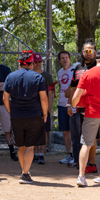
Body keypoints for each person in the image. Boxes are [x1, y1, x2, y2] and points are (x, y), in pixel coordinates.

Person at [3, 50, 48, 184]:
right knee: (30, 147)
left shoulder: (10, 76)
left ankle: (24, 171)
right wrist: (45, 113)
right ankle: (25, 174)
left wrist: (10, 111)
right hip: (34, 115)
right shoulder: (38, 77)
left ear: (20, 63)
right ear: (32, 63)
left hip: (16, 115)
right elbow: (44, 98)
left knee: (21, 146)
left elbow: (5, 97)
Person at [67, 38, 100, 172]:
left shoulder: (97, 67)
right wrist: (70, 105)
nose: (88, 53)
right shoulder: (78, 68)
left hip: (96, 108)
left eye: (91, 51)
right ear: (82, 52)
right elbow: (72, 88)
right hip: (82, 109)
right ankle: (91, 165)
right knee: (88, 139)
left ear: (95, 52)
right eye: (86, 51)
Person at [72, 50, 100, 186]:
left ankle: (81, 177)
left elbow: (77, 95)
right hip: (93, 112)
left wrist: (73, 103)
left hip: (92, 112)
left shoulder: (88, 73)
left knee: (86, 145)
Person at [33, 53, 53, 164]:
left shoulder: (47, 76)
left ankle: (42, 154)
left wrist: (48, 109)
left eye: (39, 62)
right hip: (33, 109)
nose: (38, 64)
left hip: (44, 108)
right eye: (36, 62)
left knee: (44, 131)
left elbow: (50, 93)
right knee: (35, 132)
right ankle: (36, 153)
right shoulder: (30, 74)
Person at [57, 51, 73, 164]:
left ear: (70, 59)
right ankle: (69, 154)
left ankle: (78, 155)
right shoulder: (59, 72)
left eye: (66, 57)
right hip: (61, 105)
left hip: (73, 106)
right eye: (62, 58)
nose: (65, 60)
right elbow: (60, 87)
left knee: (75, 131)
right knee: (65, 132)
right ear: (59, 60)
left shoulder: (74, 71)